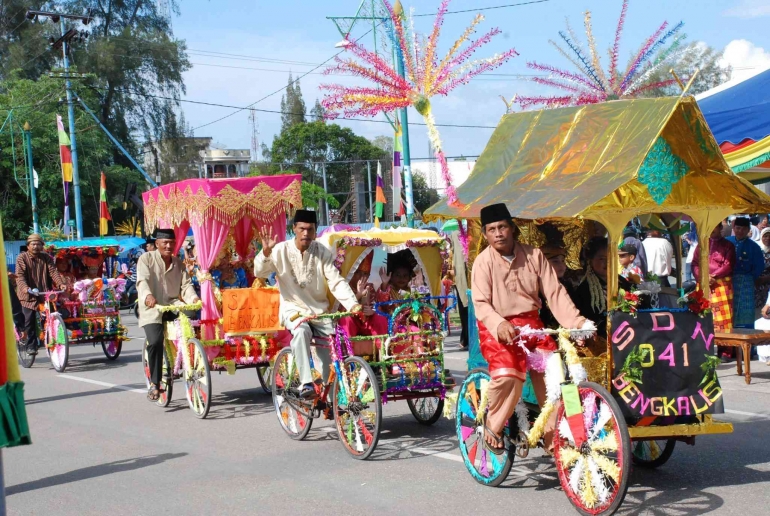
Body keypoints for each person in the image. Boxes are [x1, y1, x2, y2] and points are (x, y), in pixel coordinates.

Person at [471, 203, 593, 453]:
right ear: (485, 234)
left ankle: (554, 438)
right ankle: (492, 426)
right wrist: (499, 324)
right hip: (497, 328)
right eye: (491, 229)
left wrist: (577, 323)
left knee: (556, 376)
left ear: (512, 228)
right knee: (509, 375)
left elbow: (554, 292)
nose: (498, 233)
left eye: (502, 227)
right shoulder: (482, 263)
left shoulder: (535, 255)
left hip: (532, 327)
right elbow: (481, 304)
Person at [253, 209, 361, 399]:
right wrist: (265, 252)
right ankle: (306, 383)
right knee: (302, 331)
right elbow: (259, 273)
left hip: (319, 311)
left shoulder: (322, 252)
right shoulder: (280, 250)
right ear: (294, 228)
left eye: (310, 229)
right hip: (293, 308)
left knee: (334, 349)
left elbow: (335, 281)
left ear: (315, 231)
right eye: (301, 228)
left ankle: (332, 398)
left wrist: (352, 304)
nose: (305, 233)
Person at [137, 228, 200, 401]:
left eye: (172, 242)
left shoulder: (178, 263)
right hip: (152, 307)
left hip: (172, 305)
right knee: (156, 341)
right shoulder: (146, 259)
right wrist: (147, 295)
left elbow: (186, 286)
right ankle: (155, 384)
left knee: (194, 314)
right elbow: (141, 281)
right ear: (156, 244)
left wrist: (193, 298)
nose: (168, 245)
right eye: (165, 242)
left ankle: (191, 357)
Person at [570, 238, 633, 344]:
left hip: (625, 335)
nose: (607, 262)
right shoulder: (584, 289)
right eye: (601, 259)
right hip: (597, 339)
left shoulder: (623, 282)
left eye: (610, 258)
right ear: (590, 261)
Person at [15, 233, 67, 355]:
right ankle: (31, 346)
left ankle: (52, 339)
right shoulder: (21, 258)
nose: (36, 247)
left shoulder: (46, 258)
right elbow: (20, 276)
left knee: (53, 315)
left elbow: (53, 272)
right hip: (27, 295)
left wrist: (60, 284)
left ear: (42, 246)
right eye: (33, 244)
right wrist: (26, 288)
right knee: (30, 320)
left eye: (38, 244)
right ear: (28, 246)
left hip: (44, 293)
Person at [337, 253, 388, 356]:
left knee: (380, 318)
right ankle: (349, 357)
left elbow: (380, 305)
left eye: (365, 274)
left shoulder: (370, 287)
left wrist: (373, 311)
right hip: (352, 323)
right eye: (359, 273)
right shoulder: (345, 287)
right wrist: (359, 295)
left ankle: (383, 355)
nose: (362, 277)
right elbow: (340, 310)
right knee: (346, 318)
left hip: (367, 323)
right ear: (352, 273)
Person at [692, 222, 736, 334]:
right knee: (702, 315)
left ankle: (725, 350)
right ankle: (702, 347)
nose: (711, 230)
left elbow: (728, 265)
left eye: (714, 227)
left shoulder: (728, 245)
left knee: (723, 319)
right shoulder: (701, 245)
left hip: (720, 285)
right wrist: (702, 277)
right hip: (703, 284)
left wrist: (713, 276)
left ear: (720, 227)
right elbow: (695, 264)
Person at [727, 217, 765, 327]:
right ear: (733, 228)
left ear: (749, 230)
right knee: (728, 309)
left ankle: (746, 340)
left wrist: (749, 278)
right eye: (738, 228)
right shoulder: (727, 242)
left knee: (745, 312)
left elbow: (759, 266)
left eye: (744, 229)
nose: (740, 231)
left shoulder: (754, 247)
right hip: (728, 281)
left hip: (746, 282)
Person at [755, 228, 770, 310]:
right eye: (765, 236)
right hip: (756, 283)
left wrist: (766, 278)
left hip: (767, 285)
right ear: (761, 237)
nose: (768, 238)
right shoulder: (756, 249)